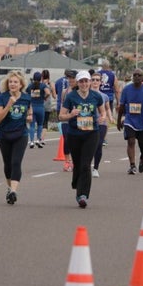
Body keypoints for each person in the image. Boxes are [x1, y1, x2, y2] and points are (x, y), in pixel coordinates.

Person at [59, 70, 104, 208]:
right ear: (77, 83)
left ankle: (82, 195)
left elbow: (102, 113)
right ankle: (77, 183)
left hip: (91, 134)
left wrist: (102, 118)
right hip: (74, 134)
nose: (84, 84)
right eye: (81, 81)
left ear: (90, 82)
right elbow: (61, 116)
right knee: (78, 164)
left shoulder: (96, 96)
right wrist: (71, 114)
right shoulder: (70, 97)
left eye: (86, 81)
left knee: (85, 164)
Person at [0, 71, 32, 205]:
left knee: (16, 162)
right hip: (4, 134)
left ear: (21, 84)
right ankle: (9, 187)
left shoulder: (27, 98)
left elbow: (29, 111)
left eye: (15, 82)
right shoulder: (3, 97)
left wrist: (29, 117)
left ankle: (13, 191)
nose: (13, 84)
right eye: (10, 82)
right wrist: (9, 104)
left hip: (20, 134)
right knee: (8, 164)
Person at [117, 69, 143, 175]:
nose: (137, 77)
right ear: (132, 77)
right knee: (131, 141)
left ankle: (142, 158)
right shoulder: (126, 89)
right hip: (130, 120)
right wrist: (118, 120)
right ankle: (132, 165)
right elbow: (121, 106)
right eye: (135, 75)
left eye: (139, 75)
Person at [89, 71, 111, 177]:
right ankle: (85, 164)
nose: (95, 82)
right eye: (93, 80)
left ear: (101, 82)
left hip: (101, 123)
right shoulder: (86, 94)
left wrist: (109, 117)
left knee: (98, 145)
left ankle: (95, 168)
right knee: (88, 145)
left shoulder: (104, 96)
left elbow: (107, 108)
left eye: (97, 80)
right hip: (88, 123)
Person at [26, 71, 50, 148]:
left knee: (32, 125)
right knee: (40, 125)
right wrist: (44, 98)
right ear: (41, 78)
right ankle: (39, 140)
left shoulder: (30, 86)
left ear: (33, 78)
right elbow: (48, 93)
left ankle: (32, 141)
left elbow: (26, 93)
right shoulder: (43, 85)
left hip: (32, 107)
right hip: (40, 107)